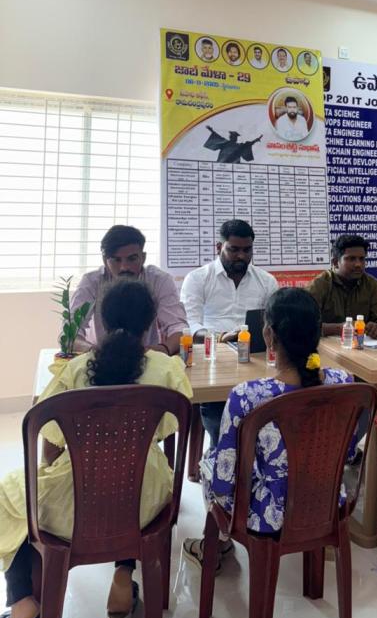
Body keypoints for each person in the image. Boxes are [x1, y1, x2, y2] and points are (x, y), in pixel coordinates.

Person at [0, 280, 192, 618]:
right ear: (150, 323)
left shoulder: (75, 369)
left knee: (10, 498)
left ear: (102, 321)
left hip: (77, 503)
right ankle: (123, 576)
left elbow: (50, 433)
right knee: (131, 483)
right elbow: (169, 426)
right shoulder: (167, 369)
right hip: (145, 500)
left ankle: (22, 599)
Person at [183, 287, 354, 569]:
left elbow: (224, 481)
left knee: (209, 462)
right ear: (318, 333)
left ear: (269, 335)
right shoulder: (344, 382)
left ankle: (215, 545)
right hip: (326, 501)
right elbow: (349, 451)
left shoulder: (247, 396)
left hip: (268, 515)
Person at [180, 219, 278, 446]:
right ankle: (221, 455)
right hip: (213, 357)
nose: (241, 256)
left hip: (255, 357)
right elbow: (190, 324)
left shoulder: (266, 281)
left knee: (271, 416)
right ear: (219, 247)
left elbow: (274, 322)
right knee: (220, 423)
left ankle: (253, 458)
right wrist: (220, 338)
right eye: (234, 250)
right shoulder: (197, 278)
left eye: (247, 250)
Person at [72, 225, 187, 355]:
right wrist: (96, 353)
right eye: (116, 260)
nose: (124, 267)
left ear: (143, 257)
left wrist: (162, 350)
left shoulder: (159, 280)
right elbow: (70, 334)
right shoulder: (91, 282)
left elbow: (179, 328)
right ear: (105, 260)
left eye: (132, 259)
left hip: (148, 357)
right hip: (100, 358)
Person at [307, 234, 377, 338]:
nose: (358, 264)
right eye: (351, 259)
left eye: (362, 259)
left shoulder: (371, 284)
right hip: (326, 345)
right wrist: (338, 328)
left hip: (362, 345)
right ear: (335, 262)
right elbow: (303, 324)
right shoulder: (320, 284)